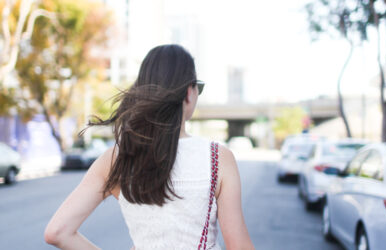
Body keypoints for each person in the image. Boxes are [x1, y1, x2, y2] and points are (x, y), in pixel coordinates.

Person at [44, 44, 254, 250]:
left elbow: (57, 232)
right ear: (189, 93)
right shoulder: (218, 158)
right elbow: (239, 246)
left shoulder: (116, 159)